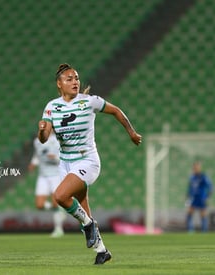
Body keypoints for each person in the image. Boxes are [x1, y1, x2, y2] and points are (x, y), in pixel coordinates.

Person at [38, 63, 142, 265]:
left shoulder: (89, 102)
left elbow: (116, 111)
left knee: (60, 196)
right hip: (65, 163)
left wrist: (131, 132)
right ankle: (102, 251)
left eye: (76, 78)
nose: (75, 81)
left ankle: (88, 224)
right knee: (82, 209)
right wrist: (42, 130)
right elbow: (43, 138)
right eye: (69, 79)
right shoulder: (52, 107)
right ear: (59, 84)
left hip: (87, 161)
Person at [28, 131, 66, 237]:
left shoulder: (58, 141)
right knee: (39, 205)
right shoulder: (37, 141)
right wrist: (33, 163)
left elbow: (63, 158)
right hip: (43, 175)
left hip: (55, 175)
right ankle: (60, 211)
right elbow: (37, 154)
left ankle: (59, 229)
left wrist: (54, 157)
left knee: (56, 202)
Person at [186, 160, 212, 232]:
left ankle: (204, 231)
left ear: (200, 168)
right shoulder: (192, 177)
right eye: (194, 167)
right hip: (193, 198)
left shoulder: (203, 177)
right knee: (189, 213)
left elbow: (210, 187)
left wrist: (207, 197)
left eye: (197, 167)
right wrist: (188, 196)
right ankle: (190, 231)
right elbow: (190, 187)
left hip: (201, 198)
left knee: (203, 214)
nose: (195, 168)